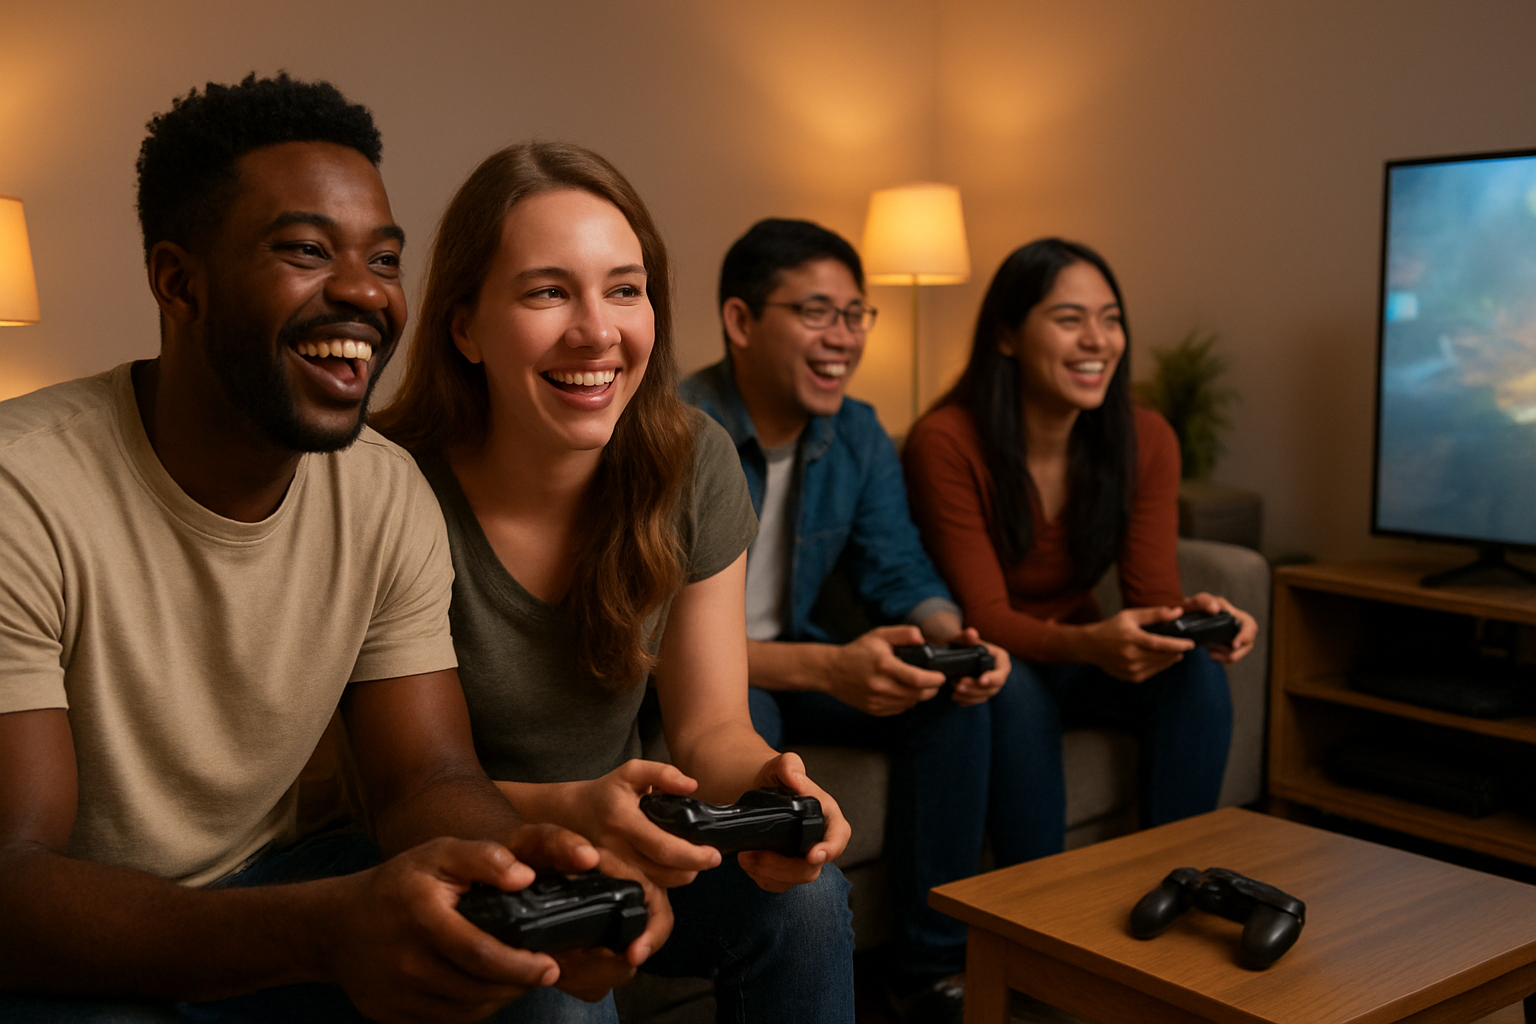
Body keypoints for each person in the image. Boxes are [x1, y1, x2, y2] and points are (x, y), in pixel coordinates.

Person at [0, 75, 669, 1023]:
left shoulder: (384, 488)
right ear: (177, 281)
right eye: (308, 252)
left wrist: (529, 882)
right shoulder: (21, 492)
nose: (362, 291)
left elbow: (426, 778)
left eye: (384, 259)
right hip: (82, 921)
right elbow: (14, 880)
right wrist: (321, 930)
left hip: (284, 874)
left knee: (539, 987)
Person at [370, 144, 856, 1024]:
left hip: (621, 832)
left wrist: (774, 787)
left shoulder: (694, 458)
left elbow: (710, 727)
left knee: (810, 901)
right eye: (548, 291)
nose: (598, 332)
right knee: (558, 985)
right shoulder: (385, 485)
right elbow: (393, 788)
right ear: (465, 326)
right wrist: (578, 819)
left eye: (624, 289)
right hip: (458, 851)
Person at [681, 218, 1011, 1024]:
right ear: (740, 322)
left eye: (856, 315)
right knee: (748, 727)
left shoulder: (857, 431)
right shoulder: (676, 431)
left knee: (956, 703)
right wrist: (831, 669)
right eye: (818, 312)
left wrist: (949, 636)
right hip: (702, 683)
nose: (844, 338)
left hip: (803, 657)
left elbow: (896, 566)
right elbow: (661, 645)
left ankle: (928, 970)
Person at [903, 237, 1258, 866]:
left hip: (1079, 655)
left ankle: (1181, 880)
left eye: (1111, 319)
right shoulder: (946, 441)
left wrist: (1191, 622)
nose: (1098, 340)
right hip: (996, 658)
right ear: (1007, 336)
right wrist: (1093, 642)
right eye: (1070, 320)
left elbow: (1150, 596)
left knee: (1195, 671)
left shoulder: (1145, 436)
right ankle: (1039, 922)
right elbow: (985, 616)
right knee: (1014, 694)